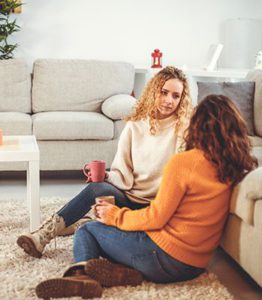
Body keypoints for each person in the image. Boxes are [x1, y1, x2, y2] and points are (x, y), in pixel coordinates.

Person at [35, 94, 257, 299]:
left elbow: (156, 218)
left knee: (88, 230)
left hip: (162, 258)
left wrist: (115, 216)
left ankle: (82, 277)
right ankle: (124, 273)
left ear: (197, 126)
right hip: (194, 266)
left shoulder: (185, 162)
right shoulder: (236, 168)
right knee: (126, 233)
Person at [17, 66, 192, 258]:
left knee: (99, 226)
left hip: (159, 208)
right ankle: (42, 236)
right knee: (96, 188)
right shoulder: (135, 125)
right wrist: (106, 175)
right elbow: (123, 172)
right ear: (153, 91)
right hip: (131, 199)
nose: (168, 101)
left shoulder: (184, 128)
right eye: (164, 92)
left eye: (176, 96)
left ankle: (79, 223)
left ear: (182, 99)